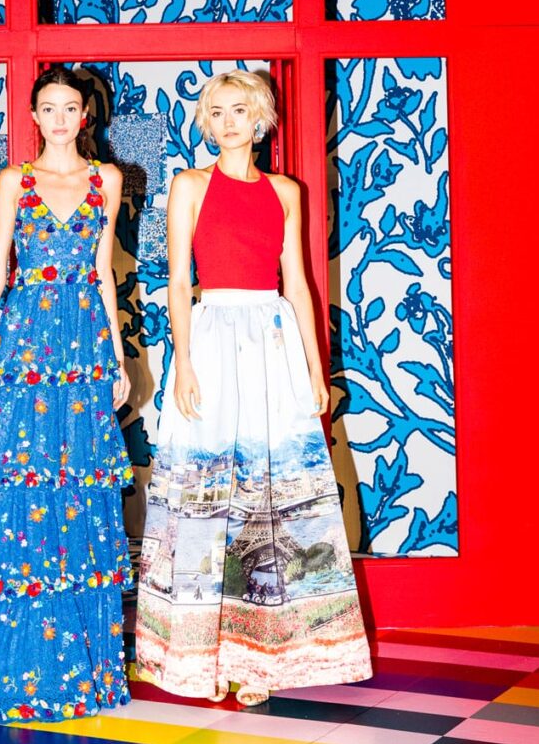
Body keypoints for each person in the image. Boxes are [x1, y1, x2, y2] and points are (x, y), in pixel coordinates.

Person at [135, 70, 372, 706]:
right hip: (212, 338)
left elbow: (298, 283)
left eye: (239, 110)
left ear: (261, 119)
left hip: (272, 342)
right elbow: (177, 281)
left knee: (272, 497)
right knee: (208, 495)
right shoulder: (189, 185)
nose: (228, 122)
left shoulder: (286, 191)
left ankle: (262, 656)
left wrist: (316, 368)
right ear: (205, 123)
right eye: (216, 112)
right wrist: (184, 362)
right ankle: (198, 654)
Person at [0, 68, 133, 724]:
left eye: (70, 107)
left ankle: (81, 664)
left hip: (83, 345)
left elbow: (103, 271)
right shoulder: (13, 181)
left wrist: (119, 357)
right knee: (23, 480)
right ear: (34, 114)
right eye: (48, 107)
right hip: (24, 341)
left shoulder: (107, 179)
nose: (59, 118)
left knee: (77, 485)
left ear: (85, 114)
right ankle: (16, 661)